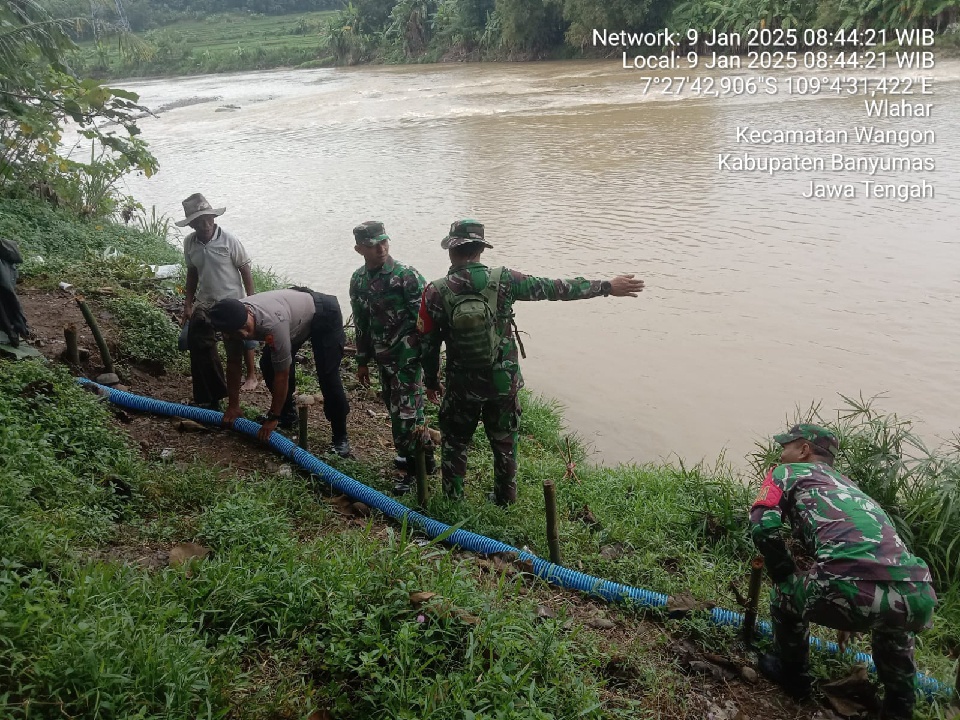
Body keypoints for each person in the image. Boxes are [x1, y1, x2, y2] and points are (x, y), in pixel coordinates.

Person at [417, 219, 645, 505]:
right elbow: (556, 288)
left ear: (452, 250)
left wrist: (430, 380)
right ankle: (505, 498)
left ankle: (452, 498)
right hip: (503, 381)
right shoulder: (505, 280)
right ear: (480, 250)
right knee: (504, 442)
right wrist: (607, 286)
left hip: (461, 384)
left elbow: (427, 344)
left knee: (455, 441)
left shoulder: (435, 291)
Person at [750, 423, 937, 719]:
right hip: (918, 593)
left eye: (786, 445)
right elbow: (865, 551)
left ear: (803, 450)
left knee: (784, 592)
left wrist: (784, 572)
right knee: (894, 625)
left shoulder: (785, 472)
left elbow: (763, 527)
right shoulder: (850, 486)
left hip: (851, 587)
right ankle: (900, 707)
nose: (781, 452)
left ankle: (792, 673)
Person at [208, 288, 351, 453]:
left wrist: (273, 417)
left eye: (246, 326)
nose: (246, 334)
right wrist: (233, 405)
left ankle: (341, 438)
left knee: (327, 374)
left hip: (323, 312)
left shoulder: (272, 323)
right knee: (268, 364)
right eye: (239, 333)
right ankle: (287, 415)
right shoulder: (229, 320)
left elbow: (282, 374)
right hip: (294, 319)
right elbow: (233, 364)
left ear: (248, 311)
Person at [349, 221, 433, 493]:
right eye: (373, 245)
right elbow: (361, 323)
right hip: (382, 360)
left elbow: (425, 323)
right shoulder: (359, 280)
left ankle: (414, 471)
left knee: (408, 415)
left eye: (384, 242)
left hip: (406, 360)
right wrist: (362, 361)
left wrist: (428, 364)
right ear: (360, 249)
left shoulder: (406, 277)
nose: (381, 248)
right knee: (395, 409)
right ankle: (424, 457)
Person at [177, 193, 258, 410]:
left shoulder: (229, 240)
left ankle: (247, 381)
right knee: (196, 343)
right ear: (191, 224)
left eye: (209, 219)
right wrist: (188, 304)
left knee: (238, 345)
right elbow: (192, 273)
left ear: (214, 218)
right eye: (199, 221)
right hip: (205, 303)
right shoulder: (190, 243)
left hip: (232, 303)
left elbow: (245, 269)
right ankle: (212, 396)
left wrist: (250, 301)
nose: (205, 225)